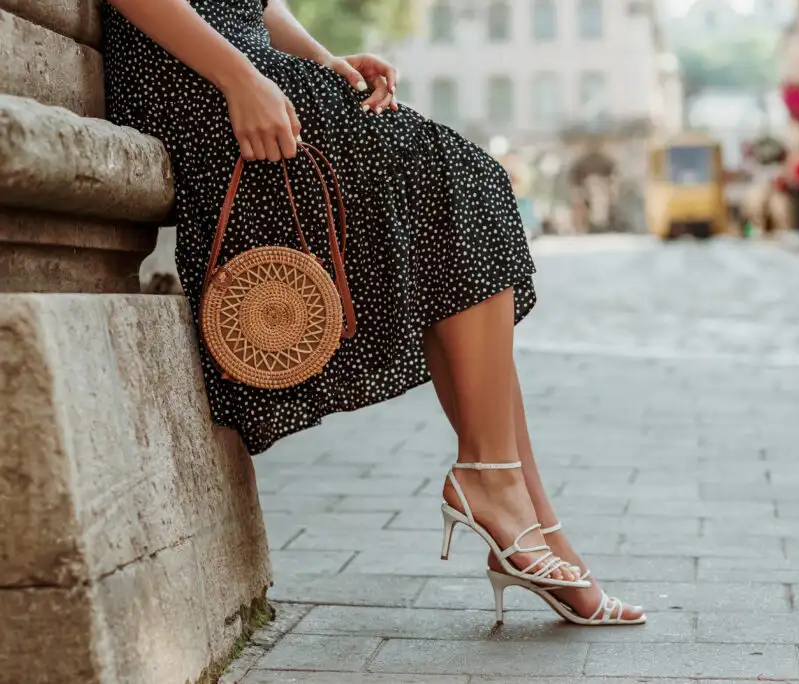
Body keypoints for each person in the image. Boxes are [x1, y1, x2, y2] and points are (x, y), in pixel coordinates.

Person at [101, 0, 643, 625]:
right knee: (456, 181)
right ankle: (496, 492)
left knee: (459, 214)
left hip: (247, 63)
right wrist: (241, 79)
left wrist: (321, 60)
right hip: (185, 73)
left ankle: (531, 521)